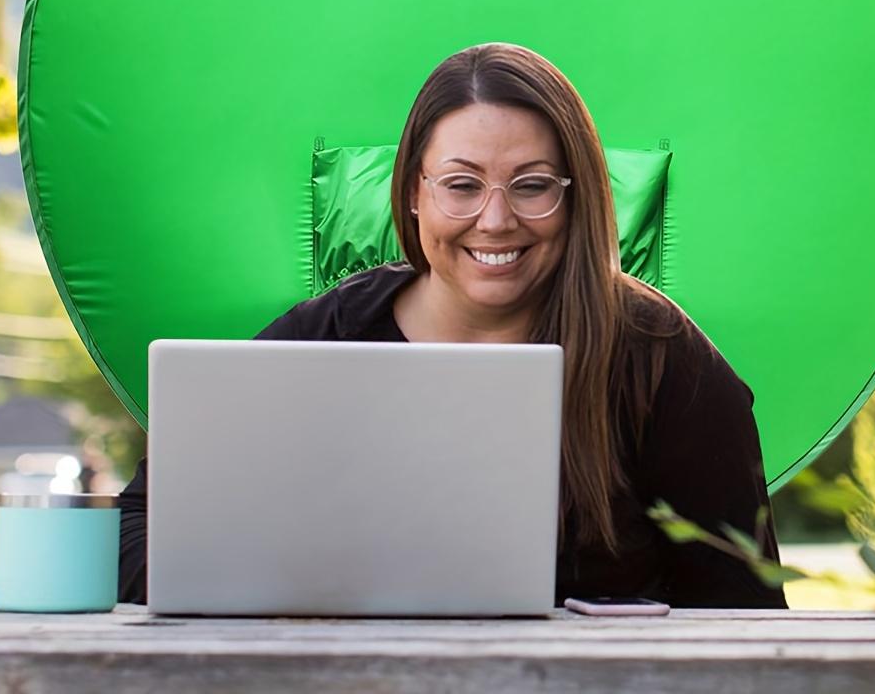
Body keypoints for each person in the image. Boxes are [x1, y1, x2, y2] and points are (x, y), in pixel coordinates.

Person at [118, 42, 787, 609]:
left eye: (531, 185)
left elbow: (746, 607)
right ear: (412, 192)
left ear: (575, 194)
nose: (495, 221)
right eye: (462, 185)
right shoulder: (329, 335)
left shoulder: (660, 357)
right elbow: (137, 530)